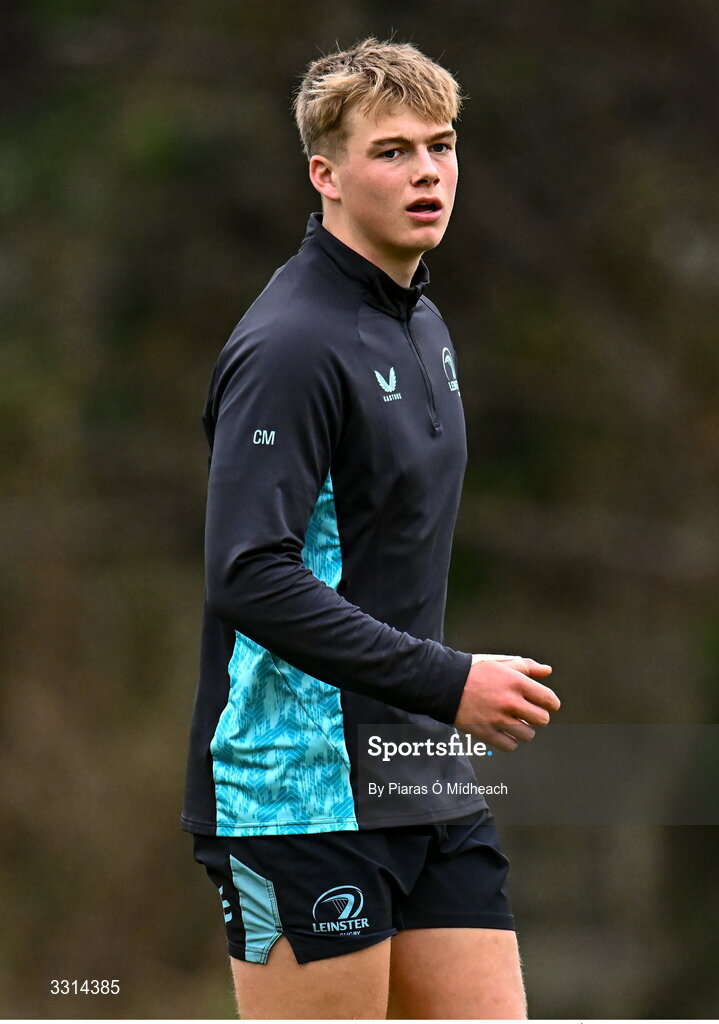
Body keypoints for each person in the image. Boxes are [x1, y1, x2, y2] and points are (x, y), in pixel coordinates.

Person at [181, 37, 560, 1020]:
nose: (427, 171)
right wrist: (452, 680)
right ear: (326, 175)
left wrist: (435, 703)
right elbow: (248, 574)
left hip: (418, 769)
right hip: (296, 790)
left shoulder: (418, 322)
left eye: (441, 145)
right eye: (392, 150)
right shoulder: (290, 345)